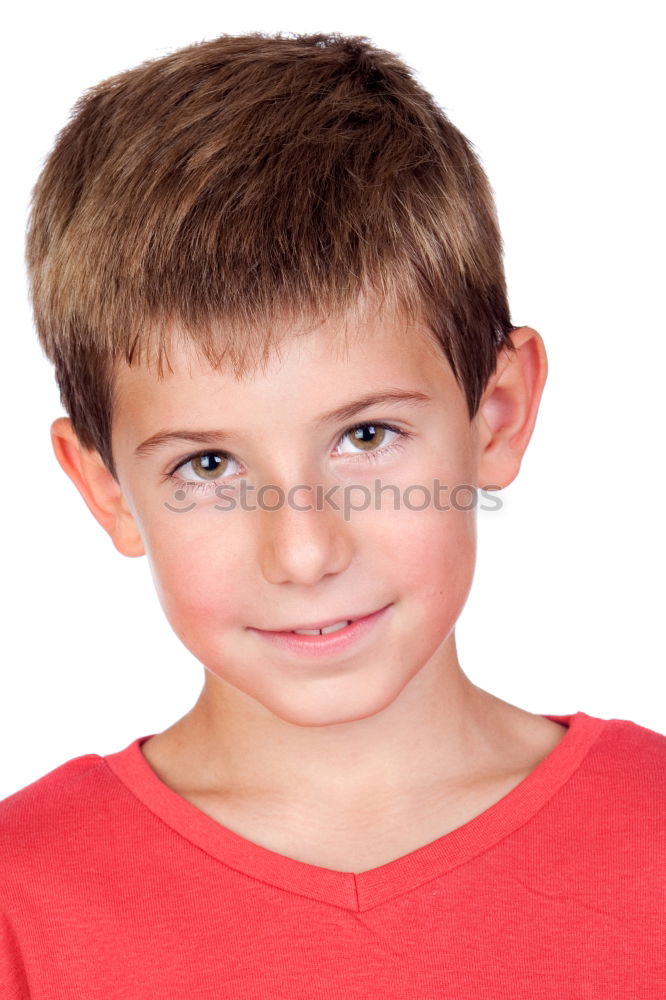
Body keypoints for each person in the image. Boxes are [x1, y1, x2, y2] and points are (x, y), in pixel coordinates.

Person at [1, 31, 663, 998]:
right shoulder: (21, 902)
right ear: (105, 487)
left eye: (365, 438)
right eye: (210, 463)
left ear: (498, 414)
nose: (305, 551)